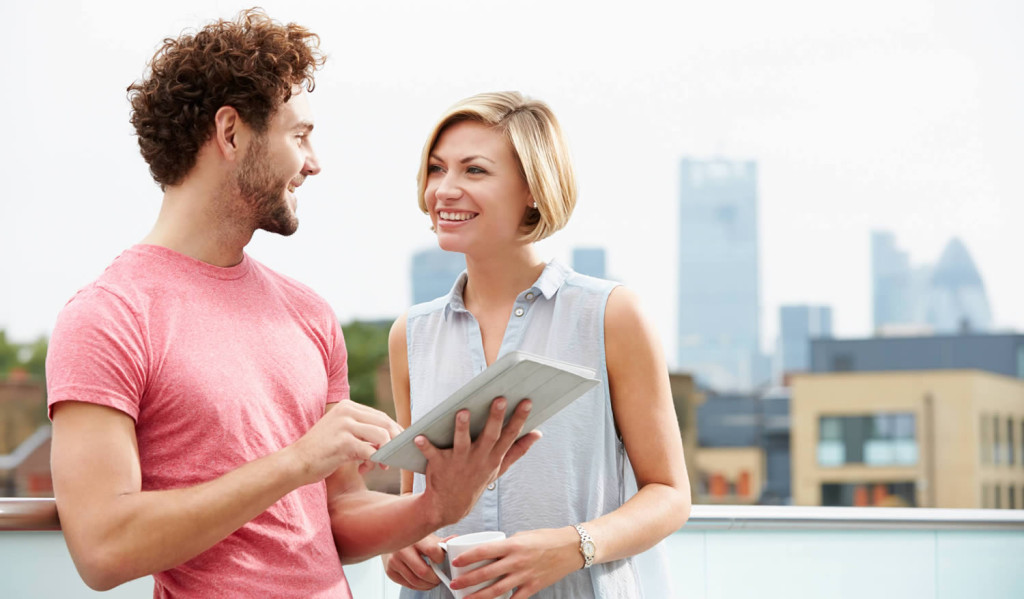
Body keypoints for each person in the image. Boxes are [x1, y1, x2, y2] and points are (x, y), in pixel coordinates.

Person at [44, 11, 539, 598]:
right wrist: (297, 461)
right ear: (231, 134)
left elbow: (336, 518)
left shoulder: (309, 314)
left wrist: (438, 505)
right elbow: (104, 550)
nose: (314, 162)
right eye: (298, 135)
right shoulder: (108, 317)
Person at [382, 92, 692, 598]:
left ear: (532, 188)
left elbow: (670, 494)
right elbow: (415, 501)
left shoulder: (611, 315)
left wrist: (573, 546)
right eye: (437, 169)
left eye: (474, 171)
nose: (445, 189)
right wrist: (399, 542)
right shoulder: (410, 335)